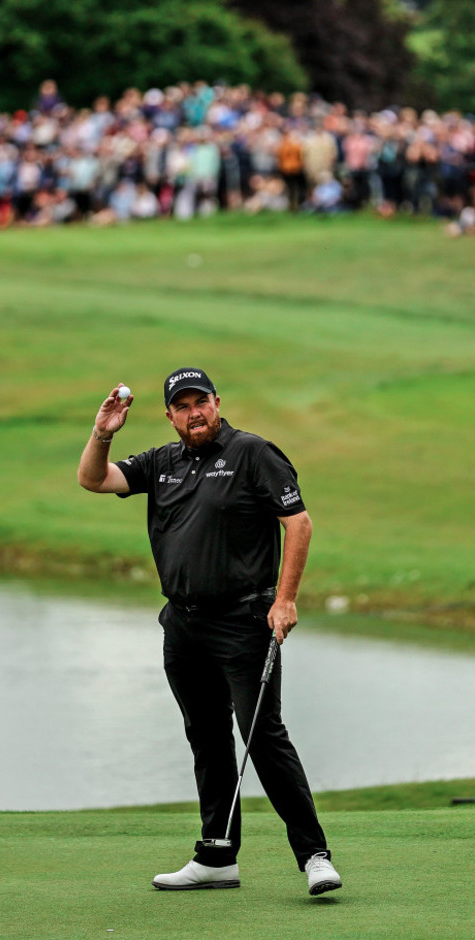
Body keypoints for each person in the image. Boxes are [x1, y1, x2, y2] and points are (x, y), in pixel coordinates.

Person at [77, 368, 342, 897]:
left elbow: (299, 522)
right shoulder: (162, 462)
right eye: (183, 405)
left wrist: (285, 598)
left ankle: (314, 854)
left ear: (217, 403)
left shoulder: (253, 453)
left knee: (262, 736)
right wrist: (103, 431)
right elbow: (94, 479)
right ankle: (217, 856)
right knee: (207, 737)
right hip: (183, 624)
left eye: (202, 402)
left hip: (244, 620)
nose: (194, 412)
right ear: (170, 414)